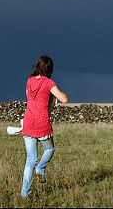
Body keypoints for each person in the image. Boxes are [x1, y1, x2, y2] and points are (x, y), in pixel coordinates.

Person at [20, 55, 68, 199]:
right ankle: (40, 169)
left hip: (28, 122)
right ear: (50, 69)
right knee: (49, 149)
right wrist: (54, 93)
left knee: (30, 160)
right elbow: (64, 99)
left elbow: (28, 97)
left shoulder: (29, 81)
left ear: (37, 66)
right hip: (42, 123)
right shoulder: (49, 83)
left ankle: (24, 193)